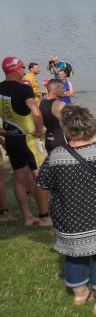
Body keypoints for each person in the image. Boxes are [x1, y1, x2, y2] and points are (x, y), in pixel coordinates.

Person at [36, 105, 96, 314]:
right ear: (91, 127)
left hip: (68, 219)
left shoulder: (55, 156)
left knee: (73, 254)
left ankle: (80, 294)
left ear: (66, 129)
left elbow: (42, 183)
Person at [0, 56, 50, 226]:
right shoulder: (24, 89)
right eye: (21, 68)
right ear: (15, 70)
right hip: (27, 139)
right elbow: (36, 113)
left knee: (19, 179)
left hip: (11, 138)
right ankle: (44, 217)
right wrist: (39, 129)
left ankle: (28, 217)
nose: (23, 70)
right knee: (39, 176)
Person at [40, 79, 66, 154]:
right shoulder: (60, 104)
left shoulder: (42, 102)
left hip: (48, 138)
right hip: (60, 139)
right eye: (62, 88)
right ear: (55, 90)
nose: (64, 90)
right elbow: (71, 124)